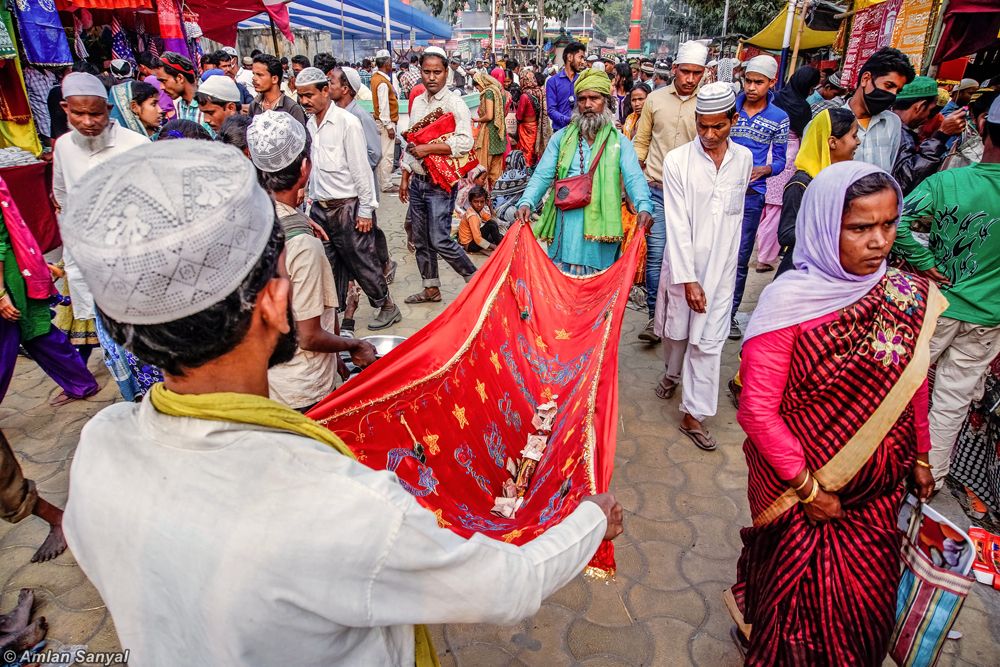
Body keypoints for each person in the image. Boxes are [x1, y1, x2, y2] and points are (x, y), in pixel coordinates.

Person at [60, 139, 625, 665]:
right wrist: (590, 522)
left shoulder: (99, 448)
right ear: (275, 303)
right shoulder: (338, 503)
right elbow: (507, 586)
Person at [731, 162, 940, 665]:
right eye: (860, 228)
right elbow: (758, 412)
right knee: (797, 603)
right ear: (826, 225)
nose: (879, 241)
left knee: (864, 604)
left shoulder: (901, 295)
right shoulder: (788, 304)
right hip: (807, 488)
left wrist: (923, 454)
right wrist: (810, 490)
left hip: (878, 490)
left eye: (889, 224)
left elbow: (912, 378)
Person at [892, 95, 1000, 490]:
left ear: (983, 128)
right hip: (987, 317)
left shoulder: (949, 181)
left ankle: (880, 462)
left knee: (901, 385)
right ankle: (931, 477)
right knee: (952, 401)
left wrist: (922, 261)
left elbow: (896, 220)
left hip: (938, 305)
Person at [246, 112, 378, 411]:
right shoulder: (302, 245)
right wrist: (354, 345)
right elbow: (309, 336)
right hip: (299, 390)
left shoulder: (246, 216)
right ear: (304, 168)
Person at [653, 83, 753, 451]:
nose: (709, 135)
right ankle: (671, 373)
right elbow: (677, 223)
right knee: (676, 333)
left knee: (708, 343)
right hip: (684, 265)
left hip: (722, 268)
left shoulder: (742, 160)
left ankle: (693, 414)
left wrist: (724, 270)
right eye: (702, 126)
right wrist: (690, 279)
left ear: (733, 121)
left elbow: (735, 216)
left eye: (719, 127)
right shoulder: (678, 161)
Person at [52, 72, 149, 370]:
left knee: (145, 345)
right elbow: (64, 199)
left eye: (95, 113)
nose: (88, 122)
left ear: (107, 110)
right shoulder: (64, 148)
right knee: (113, 348)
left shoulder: (136, 145)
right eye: (78, 113)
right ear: (65, 109)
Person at [515, 69, 653, 275]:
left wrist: (644, 206)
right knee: (561, 292)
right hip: (565, 230)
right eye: (582, 99)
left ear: (605, 101)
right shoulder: (561, 138)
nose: (587, 105)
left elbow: (634, 177)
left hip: (599, 241)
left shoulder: (619, 142)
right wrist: (526, 202)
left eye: (594, 98)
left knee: (596, 295)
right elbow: (542, 174)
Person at [295, 69, 401, 331]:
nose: (305, 101)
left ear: (324, 92)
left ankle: (387, 305)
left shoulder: (347, 122)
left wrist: (365, 210)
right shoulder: (310, 125)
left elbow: (361, 169)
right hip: (321, 207)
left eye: (309, 95)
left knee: (362, 262)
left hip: (348, 207)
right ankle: (338, 313)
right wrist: (307, 194)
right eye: (301, 96)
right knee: (329, 264)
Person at [632, 40, 709, 344]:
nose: (691, 78)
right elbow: (642, 142)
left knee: (690, 256)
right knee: (656, 255)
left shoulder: (708, 103)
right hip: (656, 188)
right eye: (686, 71)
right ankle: (655, 317)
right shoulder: (654, 100)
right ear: (675, 68)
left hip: (693, 195)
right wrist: (635, 180)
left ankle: (686, 319)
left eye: (697, 73)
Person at [0, 176, 98, 410]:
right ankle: (81, 382)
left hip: (9, 279)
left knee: (15, 337)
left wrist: (1, 292)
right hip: (16, 272)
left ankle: (81, 382)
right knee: (37, 332)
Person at [399, 47, 479, 305]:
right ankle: (431, 289)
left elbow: (466, 142)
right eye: (427, 71)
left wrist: (428, 148)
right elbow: (412, 140)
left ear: (447, 73)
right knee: (421, 240)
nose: (432, 77)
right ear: (420, 72)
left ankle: (476, 280)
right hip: (419, 181)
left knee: (441, 239)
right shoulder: (419, 101)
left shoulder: (454, 103)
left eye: (437, 72)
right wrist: (405, 174)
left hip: (440, 183)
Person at [728, 55, 789, 340]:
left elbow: (780, 161)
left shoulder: (779, 118)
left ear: (771, 83)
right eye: (748, 80)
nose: (751, 87)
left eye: (758, 82)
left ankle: (729, 316)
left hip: (752, 194)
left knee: (740, 258)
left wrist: (764, 169)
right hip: (721, 189)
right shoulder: (731, 108)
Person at [330, 65, 398, 285]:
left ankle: (382, 267)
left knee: (368, 229)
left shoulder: (359, 116)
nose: (328, 86)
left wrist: (352, 168)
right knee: (366, 231)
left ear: (346, 88)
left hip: (361, 187)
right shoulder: (334, 114)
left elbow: (374, 153)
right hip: (344, 189)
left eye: (332, 82)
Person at [775, 107, 860, 276]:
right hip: (802, 275)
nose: (858, 142)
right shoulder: (801, 184)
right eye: (854, 135)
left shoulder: (838, 180)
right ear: (832, 142)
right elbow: (786, 234)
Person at [754, 67, 820, 273]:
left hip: (765, 153)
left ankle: (756, 249)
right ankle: (764, 257)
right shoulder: (802, 108)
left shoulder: (774, 98)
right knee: (775, 210)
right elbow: (804, 134)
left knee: (763, 206)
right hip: (786, 157)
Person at [890, 75, 968, 195]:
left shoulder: (887, 123)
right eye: (930, 110)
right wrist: (941, 136)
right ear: (920, 106)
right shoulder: (898, 133)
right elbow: (904, 182)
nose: (927, 117)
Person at [844, 47, 915, 171]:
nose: (893, 95)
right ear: (865, 79)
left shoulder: (892, 122)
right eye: (889, 86)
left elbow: (889, 170)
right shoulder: (830, 120)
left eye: (897, 91)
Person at [156, 52, 213, 136]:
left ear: (180, 78)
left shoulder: (210, 102)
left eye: (164, 81)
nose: (161, 87)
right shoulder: (179, 105)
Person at [249, 54, 307, 127]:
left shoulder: (291, 108)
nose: (254, 78)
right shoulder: (254, 105)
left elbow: (301, 136)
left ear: (274, 79)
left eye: (260, 75)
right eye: (253, 74)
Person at [472, 71, 508, 186]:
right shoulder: (500, 91)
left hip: (488, 133)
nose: (478, 90)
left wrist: (477, 120)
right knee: (496, 171)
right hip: (499, 133)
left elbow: (489, 116)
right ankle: (495, 198)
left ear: (480, 83)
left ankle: (481, 197)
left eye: (477, 87)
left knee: (482, 168)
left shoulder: (488, 92)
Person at [371, 49, 400, 193]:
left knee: (384, 154)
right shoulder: (382, 82)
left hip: (382, 122)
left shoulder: (377, 78)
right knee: (387, 155)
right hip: (385, 123)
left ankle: (383, 181)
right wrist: (389, 126)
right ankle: (386, 184)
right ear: (387, 63)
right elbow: (384, 107)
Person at [546, 41, 587, 132]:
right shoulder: (553, 82)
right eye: (580, 57)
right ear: (569, 57)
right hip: (560, 131)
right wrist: (568, 120)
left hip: (580, 130)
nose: (583, 62)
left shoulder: (583, 80)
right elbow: (551, 110)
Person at [458, 185, 503, 254]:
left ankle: (500, 243)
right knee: (491, 225)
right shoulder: (472, 216)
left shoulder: (478, 210)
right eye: (476, 201)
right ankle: (501, 246)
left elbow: (493, 220)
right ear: (470, 202)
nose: (479, 205)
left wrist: (490, 206)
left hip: (474, 241)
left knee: (495, 230)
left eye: (482, 202)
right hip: (469, 246)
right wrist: (494, 247)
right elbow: (478, 239)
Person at [515, 71, 546, 167]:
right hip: (536, 125)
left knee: (526, 152)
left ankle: (526, 171)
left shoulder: (524, 96)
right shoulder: (540, 92)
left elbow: (519, 116)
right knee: (534, 150)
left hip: (526, 128)